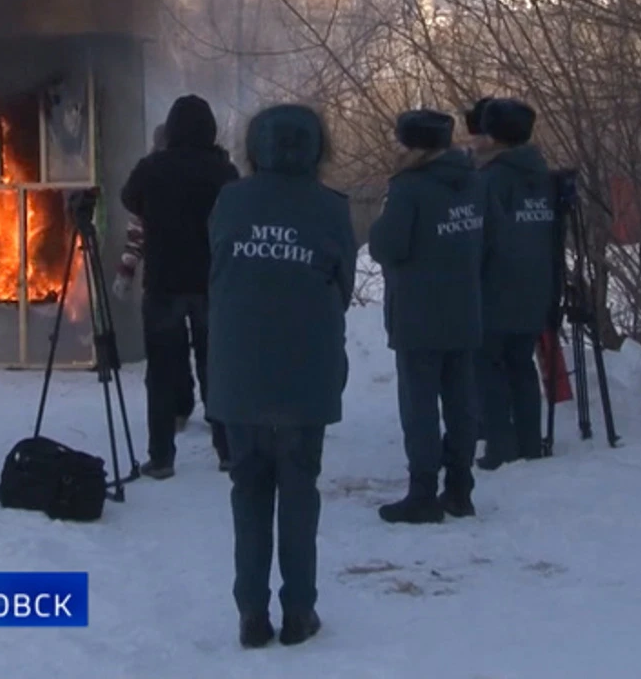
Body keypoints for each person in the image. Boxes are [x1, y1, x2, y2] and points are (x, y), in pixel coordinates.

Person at [207, 104, 355, 649]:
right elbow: (342, 286)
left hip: (239, 373)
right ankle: (299, 611)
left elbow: (217, 265)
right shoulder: (331, 209)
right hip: (305, 373)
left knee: (248, 491)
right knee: (299, 491)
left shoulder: (230, 201)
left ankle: (251, 613)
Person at [367, 109, 488, 524]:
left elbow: (387, 246)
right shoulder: (473, 181)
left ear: (411, 145)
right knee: (461, 402)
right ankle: (460, 488)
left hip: (418, 312)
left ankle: (422, 493)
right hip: (466, 307)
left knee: (419, 406)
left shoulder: (409, 188)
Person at [119, 95, 240, 478]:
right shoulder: (224, 172)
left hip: (164, 283)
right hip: (211, 283)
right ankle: (227, 450)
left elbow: (128, 199)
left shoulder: (152, 168)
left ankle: (161, 457)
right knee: (216, 367)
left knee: (162, 371)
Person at [474, 98, 555, 469]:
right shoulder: (543, 175)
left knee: (489, 366)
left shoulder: (491, 179)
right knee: (522, 365)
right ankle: (529, 441)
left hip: (496, 287)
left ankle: (500, 444)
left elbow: (485, 237)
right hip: (537, 284)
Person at [112, 125, 168, 301]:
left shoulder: (149, 174)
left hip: (161, 280)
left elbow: (136, 236)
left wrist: (126, 272)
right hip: (200, 283)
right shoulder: (209, 172)